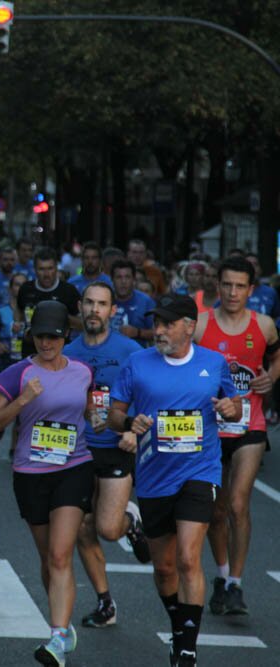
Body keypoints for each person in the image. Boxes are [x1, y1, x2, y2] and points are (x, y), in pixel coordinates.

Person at [108, 293, 240, 667]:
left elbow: (234, 406)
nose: (159, 330)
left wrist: (232, 408)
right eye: (157, 323)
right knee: (164, 567)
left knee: (186, 557)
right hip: (153, 474)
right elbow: (114, 414)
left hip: (199, 472)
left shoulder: (213, 364)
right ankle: (181, 626)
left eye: (167, 324)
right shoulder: (137, 363)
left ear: (189, 326)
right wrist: (128, 422)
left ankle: (186, 649)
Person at [0, 301, 94, 667]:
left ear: (66, 336)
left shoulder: (82, 372)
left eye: (54, 336)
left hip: (74, 467)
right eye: (41, 336)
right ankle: (60, 625)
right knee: (48, 557)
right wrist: (22, 400)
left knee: (62, 554)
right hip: (31, 473)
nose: (47, 343)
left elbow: (93, 415)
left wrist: (116, 426)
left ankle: (58, 638)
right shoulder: (17, 373)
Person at [193, 258, 280, 616]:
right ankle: (222, 574)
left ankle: (236, 585)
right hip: (212, 429)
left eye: (240, 286)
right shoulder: (200, 326)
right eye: (226, 285)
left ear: (251, 289)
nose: (232, 292)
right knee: (217, 510)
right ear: (217, 284)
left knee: (240, 504)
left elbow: (277, 357)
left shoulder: (264, 325)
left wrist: (272, 378)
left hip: (250, 426)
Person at [63, 282, 149, 630]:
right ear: (81, 307)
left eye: (102, 304)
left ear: (113, 311)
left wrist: (132, 430)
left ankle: (130, 521)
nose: (94, 310)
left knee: (108, 529)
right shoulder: (68, 351)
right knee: (82, 529)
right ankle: (105, 603)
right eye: (89, 303)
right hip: (79, 451)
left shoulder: (130, 350)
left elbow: (149, 394)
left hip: (116, 448)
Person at [13, 247, 82, 358]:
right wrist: (17, 324)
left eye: (50, 268)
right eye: (42, 269)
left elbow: (82, 324)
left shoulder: (69, 291)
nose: (46, 274)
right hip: (30, 353)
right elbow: (19, 312)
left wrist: (59, 317)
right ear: (35, 269)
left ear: (56, 268)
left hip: (60, 355)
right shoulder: (26, 289)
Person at [109, 259, 155, 344]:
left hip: (137, 354)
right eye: (119, 277)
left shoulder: (146, 302)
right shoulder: (104, 300)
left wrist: (137, 332)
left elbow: (158, 333)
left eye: (127, 277)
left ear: (134, 279)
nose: (123, 282)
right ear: (112, 279)